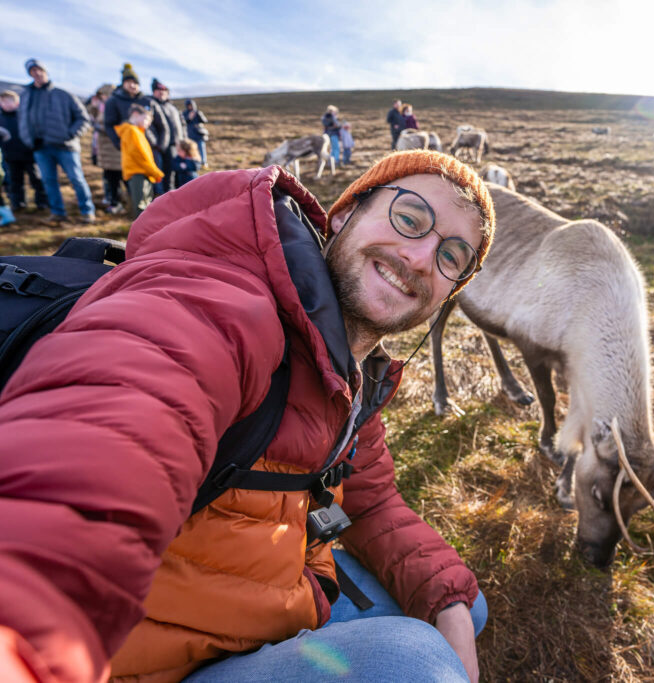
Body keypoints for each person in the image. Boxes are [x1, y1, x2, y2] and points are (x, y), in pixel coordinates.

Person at [0, 150, 495, 683]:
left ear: (451, 292)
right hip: (137, 656)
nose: (421, 259)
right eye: (410, 219)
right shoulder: (224, 306)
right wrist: (30, 641)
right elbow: (109, 442)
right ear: (347, 213)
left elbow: (373, 503)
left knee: (464, 607)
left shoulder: (350, 375)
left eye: (452, 256)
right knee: (412, 663)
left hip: (261, 597)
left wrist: (447, 598)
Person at [17, 58, 95, 224]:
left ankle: (87, 211)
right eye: (33, 71)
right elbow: (22, 120)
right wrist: (28, 140)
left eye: (40, 70)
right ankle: (58, 213)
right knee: (49, 181)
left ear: (45, 71)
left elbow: (83, 119)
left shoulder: (63, 94)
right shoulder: (25, 96)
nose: (37, 73)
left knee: (76, 179)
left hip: (66, 147)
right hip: (40, 148)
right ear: (30, 74)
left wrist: (69, 135)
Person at [104, 63, 167, 169]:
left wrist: (160, 146)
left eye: (135, 82)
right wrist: (120, 144)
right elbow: (109, 125)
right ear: (123, 83)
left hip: (152, 148)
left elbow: (162, 126)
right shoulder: (113, 101)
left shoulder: (148, 101)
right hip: (130, 150)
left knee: (157, 180)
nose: (132, 85)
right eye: (128, 82)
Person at [0, 90, 48, 212]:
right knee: (15, 181)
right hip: (9, 157)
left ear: (17, 103)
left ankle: (42, 202)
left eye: (10, 101)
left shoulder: (25, 116)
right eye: (3, 101)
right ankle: (17, 203)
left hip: (29, 155)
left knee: (36, 179)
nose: (6, 104)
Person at [114, 104, 163, 217]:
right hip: (139, 173)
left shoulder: (137, 131)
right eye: (146, 119)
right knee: (142, 206)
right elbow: (139, 156)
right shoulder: (131, 131)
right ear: (135, 115)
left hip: (143, 173)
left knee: (146, 204)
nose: (148, 123)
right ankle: (142, 233)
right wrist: (155, 172)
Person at [86, 84, 126, 214]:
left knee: (117, 176)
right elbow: (92, 117)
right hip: (102, 147)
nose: (102, 97)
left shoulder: (113, 106)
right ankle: (112, 198)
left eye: (103, 94)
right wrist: (93, 106)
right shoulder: (99, 106)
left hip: (113, 147)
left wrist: (99, 126)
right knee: (108, 175)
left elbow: (108, 124)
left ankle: (119, 201)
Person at [146, 78, 183, 195]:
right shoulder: (153, 105)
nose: (161, 92)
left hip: (178, 144)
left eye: (164, 90)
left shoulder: (173, 107)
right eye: (158, 90)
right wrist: (157, 144)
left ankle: (176, 192)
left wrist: (184, 141)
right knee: (166, 172)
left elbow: (183, 124)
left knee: (177, 170)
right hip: (162, 146)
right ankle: (166, 194)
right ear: (153, 92)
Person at [183, 98, 209, 168]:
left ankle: (204, 162)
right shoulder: (184, 113)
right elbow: (184, 122)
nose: (190, 107)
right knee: (193, 149)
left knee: (202, 149)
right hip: (190, 135)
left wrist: (199, 115)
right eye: (189, 105)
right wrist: (189, 117)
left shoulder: (198, 112)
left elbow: (204, 120)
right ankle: (195, 162)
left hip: (199, 134)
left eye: (191, 105)